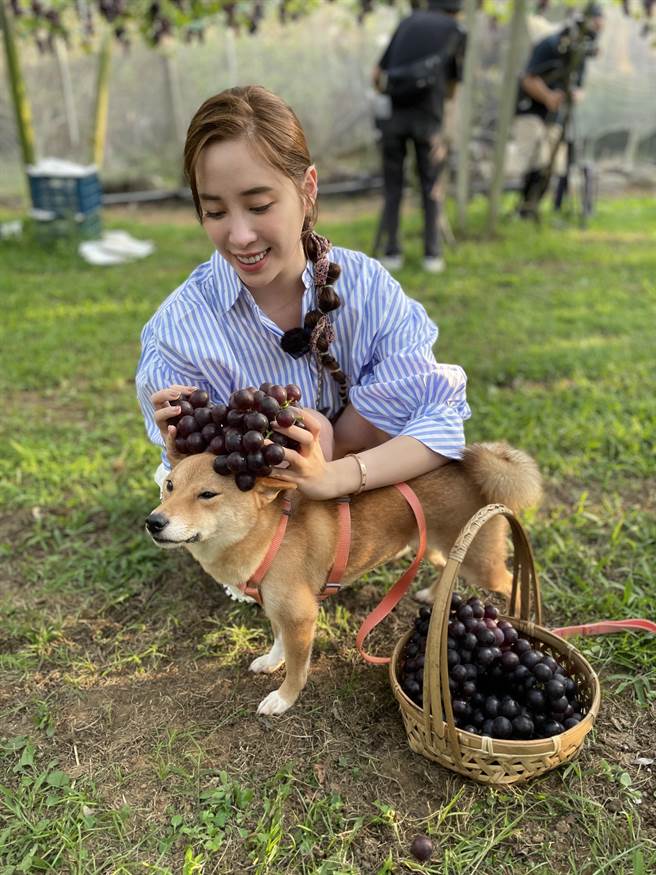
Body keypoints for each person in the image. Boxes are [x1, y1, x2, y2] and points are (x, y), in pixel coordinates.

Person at [136, 85, 470, 512]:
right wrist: (183, 458)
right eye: (215, 212)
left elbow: (438, 424)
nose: (240, 236)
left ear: (307, 188)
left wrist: (333, 475)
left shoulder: (367, 289)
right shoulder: (178, 332)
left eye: (259, 206)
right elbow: (202, 491)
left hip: (366, 507)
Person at [372, 0, 467, 274]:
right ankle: (432, 254)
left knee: (393, 186)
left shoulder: (407, 21)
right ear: (457, 9)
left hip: (393, 117)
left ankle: (392, 251)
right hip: (428, 118)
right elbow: (453, 84)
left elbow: (377, 74)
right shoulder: (456, 30)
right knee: (431, 184)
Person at [513, 2, 604, 218]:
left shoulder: (580, 53)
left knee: (554, 164)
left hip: (556, 114)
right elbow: (528, 78)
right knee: (537, 158)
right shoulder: (550, 45)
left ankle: (533, 207)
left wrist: (574, 95)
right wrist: (548, 96)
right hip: (530, 110)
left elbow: (579, 87)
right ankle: (525, 207)